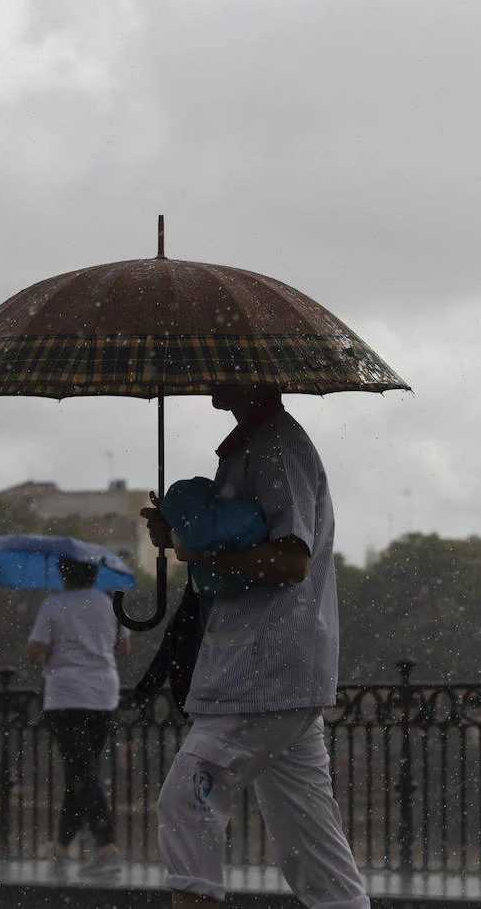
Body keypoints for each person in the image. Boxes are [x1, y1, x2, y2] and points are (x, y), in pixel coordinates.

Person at [142, 383, 369, 909]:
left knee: (187, 803)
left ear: (253, 373)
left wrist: (195, 550)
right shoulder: (255, 445)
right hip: (271, 670)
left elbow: (291, 561)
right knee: (312, 846)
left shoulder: (276, 447)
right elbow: (238, 541)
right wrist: (179, 536)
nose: (210, 374)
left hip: (264, 668)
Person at [26, 556, 130, 874]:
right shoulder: (110, 603)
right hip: (103, 694)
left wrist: (57, 651)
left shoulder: (54, 605)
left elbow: (35, 650)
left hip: (67, 695)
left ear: (62, 574)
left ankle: (107, 846)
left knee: (83, 773)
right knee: (82, 772)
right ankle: (61, 846)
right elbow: (123, 650)